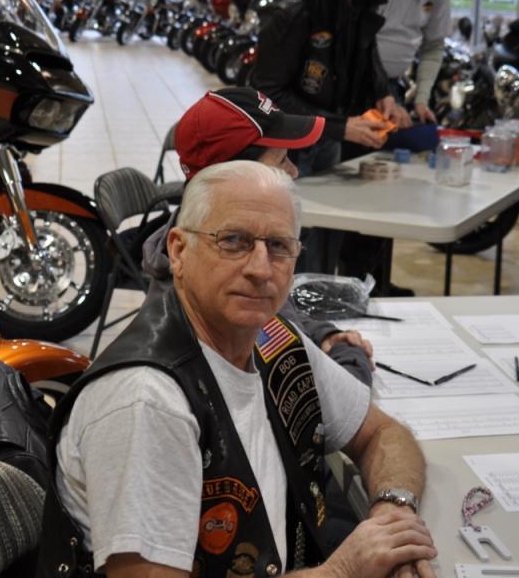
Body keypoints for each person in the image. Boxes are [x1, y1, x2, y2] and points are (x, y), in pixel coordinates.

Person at [39, 161, 437, 578]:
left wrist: (393, 513)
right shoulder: (148, 402)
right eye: (233, 241)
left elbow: (382, 433)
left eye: (278, 246)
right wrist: (343, 570)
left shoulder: (273, 339)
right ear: (178, 251)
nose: (260, 269)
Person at [141, 87, 376, 386]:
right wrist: (350, 356)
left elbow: (279, 321)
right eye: (281, 160)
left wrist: (324, 336)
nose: (294, 172)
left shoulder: (210, 246)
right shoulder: (225, 296)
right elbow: (319, 397)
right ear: (235, 175)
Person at [251, 0, 409, 177]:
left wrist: (383, 93)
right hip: (290, 146)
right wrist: (338, 126)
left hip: (329, 136)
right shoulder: (298, 11)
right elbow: (268, 93)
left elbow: (367, 50)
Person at [377, 0, 464, 125]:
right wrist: (381, 93)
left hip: (392, 84)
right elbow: (361, 43)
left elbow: (433, 47)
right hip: (359, 83)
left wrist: (422, 100)